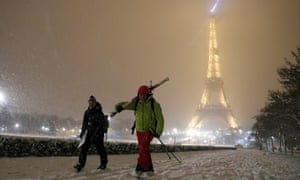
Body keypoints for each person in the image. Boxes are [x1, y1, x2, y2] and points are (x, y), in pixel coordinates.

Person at [115, 85, 164, 174]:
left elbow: (160, 119)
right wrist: (118, 107)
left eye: (144, 94)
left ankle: (140, 167)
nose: (142, 96)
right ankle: (149, 168)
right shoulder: (137, 103)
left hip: (149, 130)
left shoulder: (154, 105)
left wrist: (158, 131)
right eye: (140, 94)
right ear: (138, 95)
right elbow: (125, 104)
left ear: (148, 95)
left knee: (143, 148)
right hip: (139, 130)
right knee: (144, 149)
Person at [74, 95, 108, 172]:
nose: (91, 103)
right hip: (89, 133)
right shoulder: (87, 112)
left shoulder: (99, 113)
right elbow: (84, 124)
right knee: (84, 148)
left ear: (95, 102)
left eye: (92, 102)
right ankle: (81, 164)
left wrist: (96, 134)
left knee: (100, 149)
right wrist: (82, 133)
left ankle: (103, 164)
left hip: (98, 134)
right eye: (90, 102)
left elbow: (100, 125)